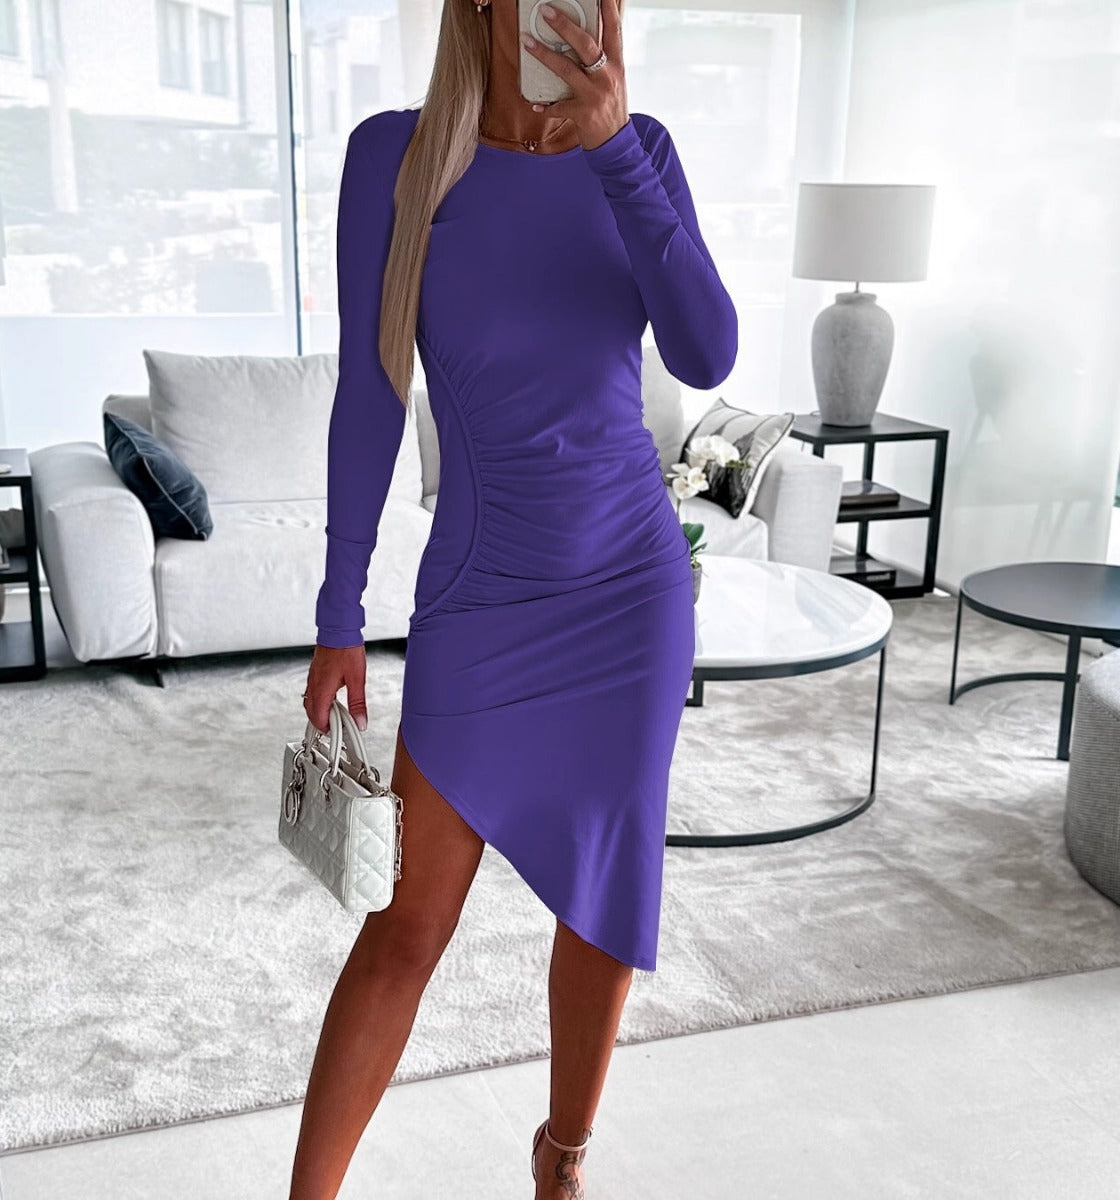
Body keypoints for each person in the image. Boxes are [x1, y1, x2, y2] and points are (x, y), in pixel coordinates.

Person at [296, 0, 737, 1195]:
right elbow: (371, 393)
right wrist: (340, 613)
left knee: (602, 904)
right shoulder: (396, 158)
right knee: (407, 924)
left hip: (630, 595)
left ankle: (562, 1161)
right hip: (483, 597)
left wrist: (615, 147)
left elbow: (707, 353)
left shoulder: (640, 151)